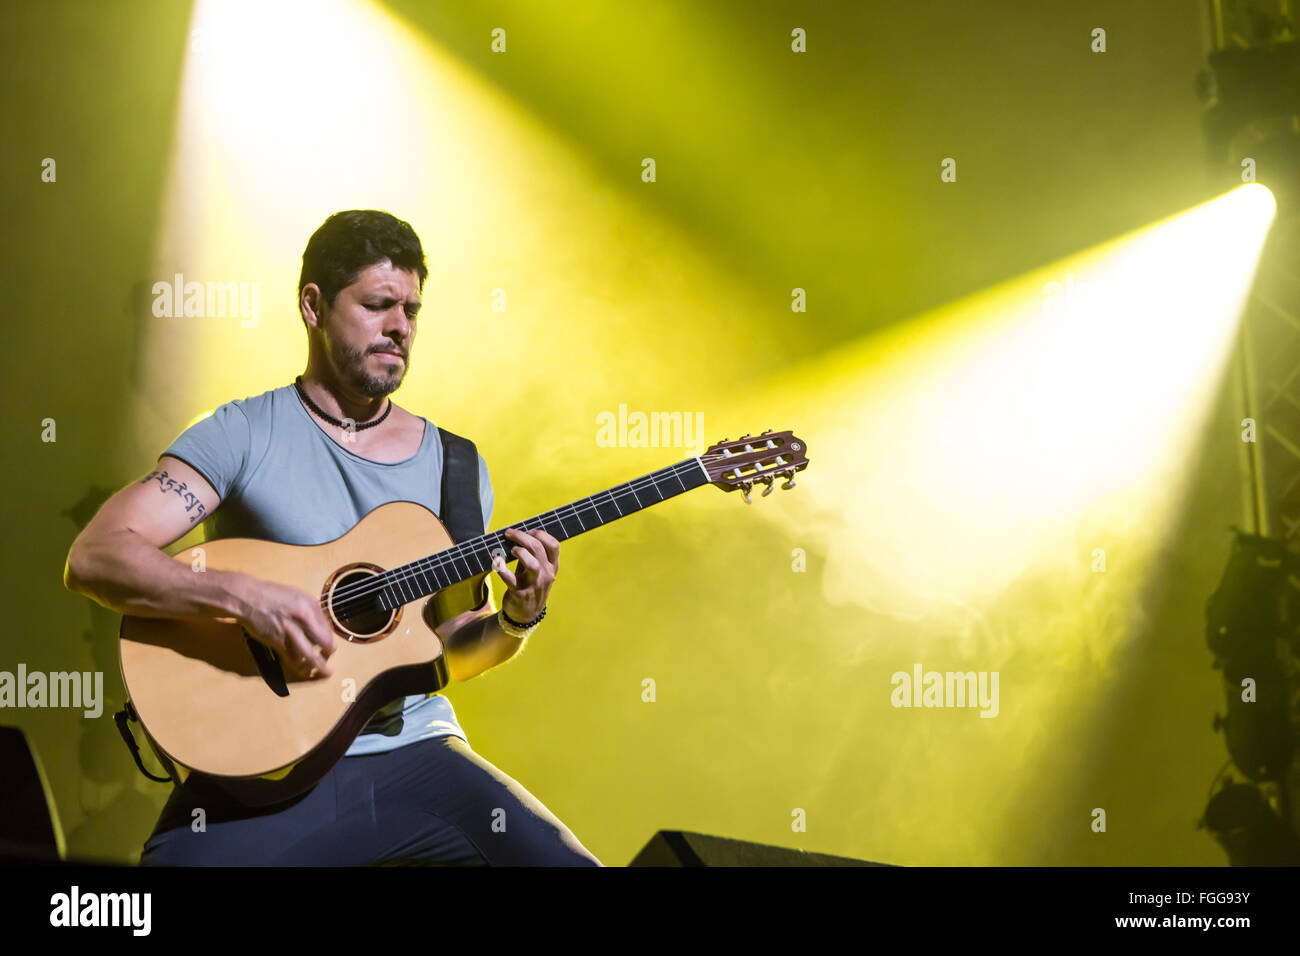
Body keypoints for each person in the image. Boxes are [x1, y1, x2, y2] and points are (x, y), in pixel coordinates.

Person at [63, 210, 602, 866]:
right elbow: (96, 556)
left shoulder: (456, 467)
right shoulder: (241, 433)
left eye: (411, 309)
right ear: (313, 306)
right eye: (378, 304)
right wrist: (240, 598)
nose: (400, 326)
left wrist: (518, 619)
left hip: (418, 756)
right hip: (264, 770)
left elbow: (451, 651)